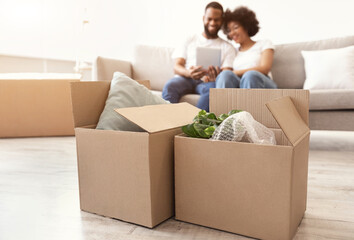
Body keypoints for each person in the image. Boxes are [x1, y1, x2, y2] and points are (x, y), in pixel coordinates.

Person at [162, 2, 236, 111]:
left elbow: (227, 74)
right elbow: (177, 66)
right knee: (170, 85)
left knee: (213, 91)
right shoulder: (190, 39)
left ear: (222, 21)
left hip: (209, 82)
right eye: (209, 19)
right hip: (186, 78)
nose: (212, 23)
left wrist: (216, 76)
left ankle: (195, 125)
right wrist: (189, 73)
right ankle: (167, 123)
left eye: (216, 20)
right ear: (203, 18)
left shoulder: (227, 47)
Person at [215, 6, 277, 89]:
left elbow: (265, 68)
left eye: (236, 27)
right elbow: (226, 74)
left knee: (250, 75)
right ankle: (222, 102)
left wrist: (235, 72)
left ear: (246, 26)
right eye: (229, 30)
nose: (232, 33)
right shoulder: (233, 51)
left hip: (262, 83)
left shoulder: (264, 43)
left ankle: (248, 101)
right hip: (240, 85)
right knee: (225, 74)